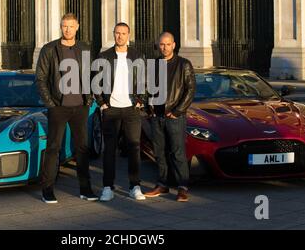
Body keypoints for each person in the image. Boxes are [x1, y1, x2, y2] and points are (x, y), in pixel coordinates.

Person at [35, 13, 98, 204]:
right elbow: (41, 78)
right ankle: (47, 190)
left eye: (71, 26)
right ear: (61, 27)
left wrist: (89, 101)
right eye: (64, 26)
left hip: (80, 107)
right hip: (58, 107)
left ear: (77, 27)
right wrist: (51, 104)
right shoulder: (49, 49)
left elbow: (92, 76)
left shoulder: (84, 49)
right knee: (53, 148)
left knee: (82, 149)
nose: (68, 29)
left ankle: (85, 189)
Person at [95, 22, 147, 201]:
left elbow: (144, 80)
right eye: (117, 33)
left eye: (123, 33)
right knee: (109, 150)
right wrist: (101, 103)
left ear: (129, 35)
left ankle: (135, 186)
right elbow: (96, 82)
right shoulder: (104, 56)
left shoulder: (137, 56)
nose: (120, 36)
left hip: (131, 109)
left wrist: (141, 100)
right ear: (113, 34)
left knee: (134, 148)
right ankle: (108, 187)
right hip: (111, 110)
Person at [144, 32, 196, 202]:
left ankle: (182, 187)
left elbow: (190, 90)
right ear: (158, 46)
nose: (164, 47)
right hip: (156, 116)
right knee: (159, 152)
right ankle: (162, 184)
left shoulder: (184, 64)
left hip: (174, 116)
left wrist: (177, 111)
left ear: (174, 45)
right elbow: (146, 88)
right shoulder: (153, 64)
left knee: (177, 152)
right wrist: (148, 108)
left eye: (167, 44)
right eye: (161, 44)